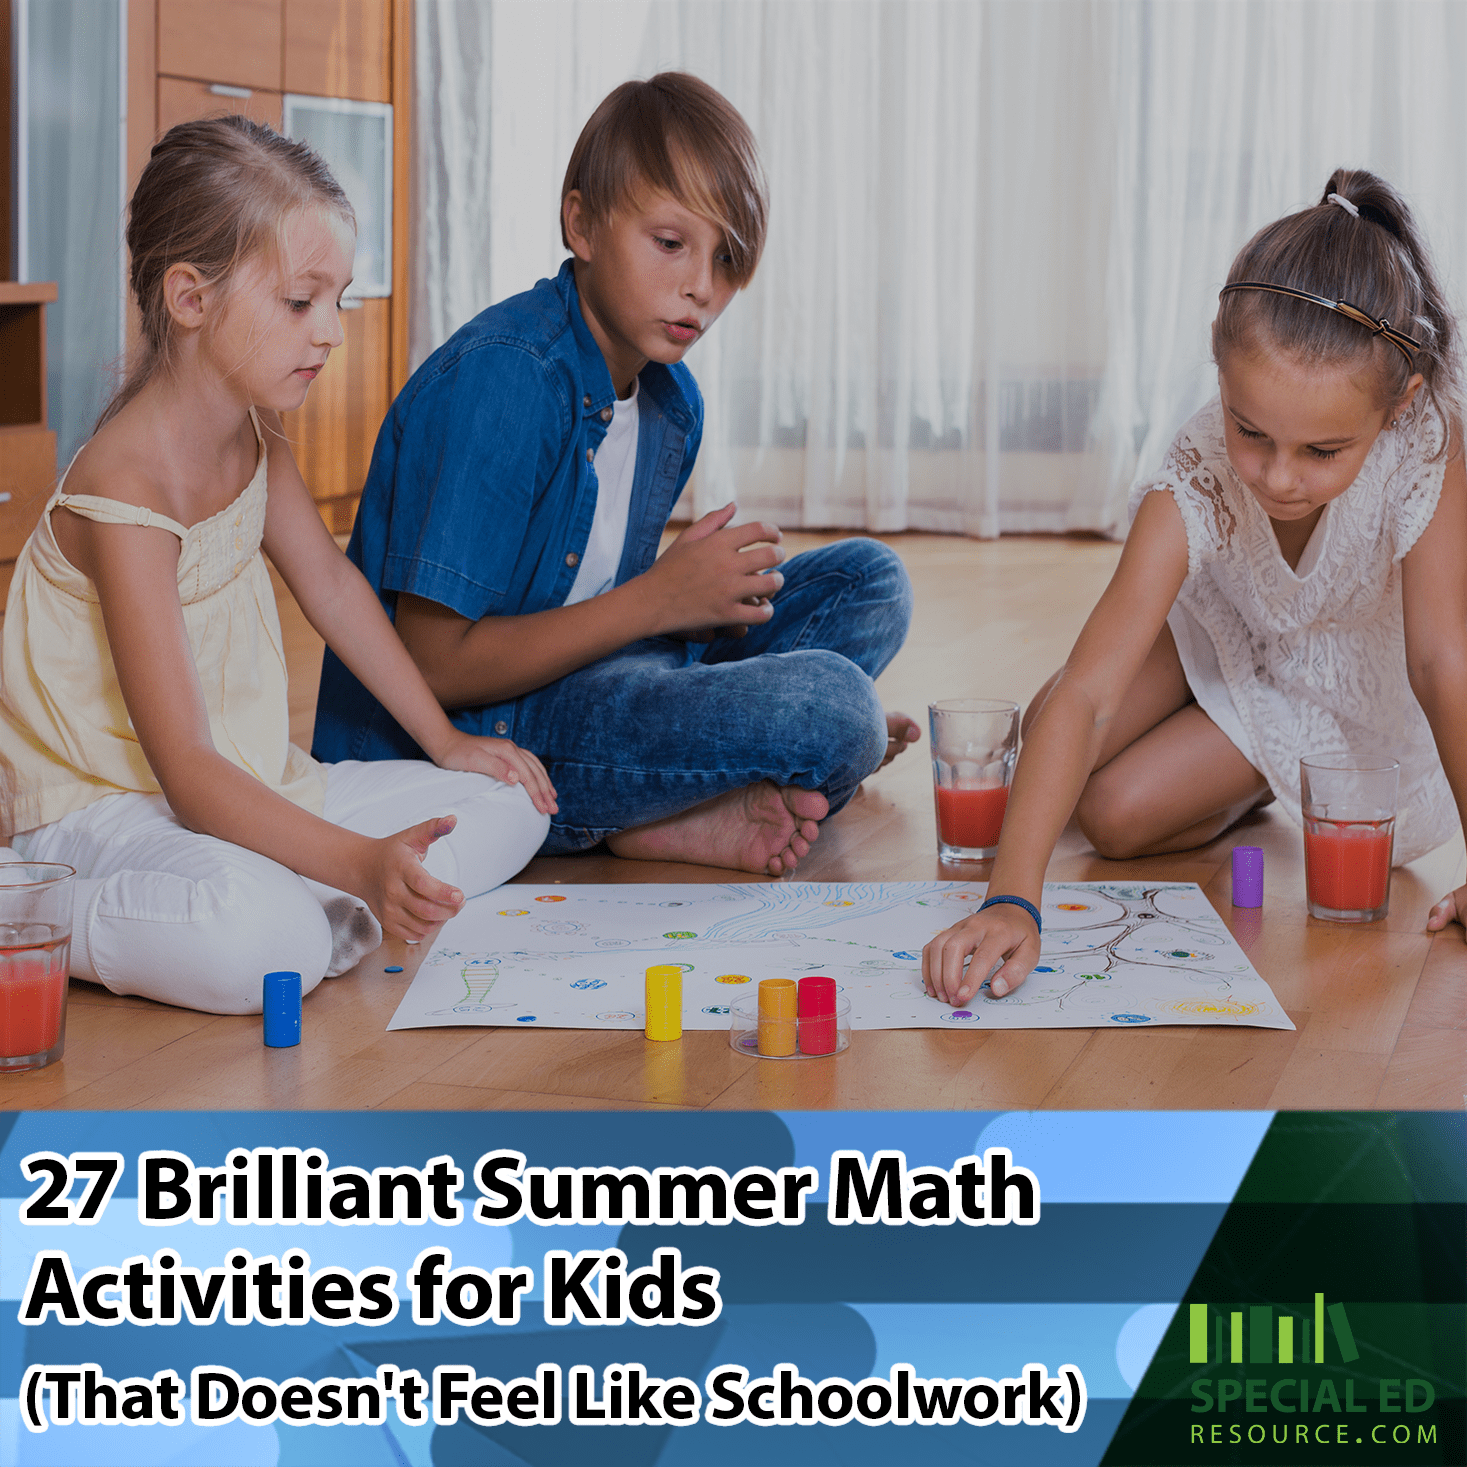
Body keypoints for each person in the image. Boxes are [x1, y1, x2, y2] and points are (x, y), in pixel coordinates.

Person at [0, 116, 556, 1014]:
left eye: (336, 299)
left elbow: (333, 588)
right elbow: (181, 765)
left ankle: (334, 893)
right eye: (301, 302)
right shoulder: (124, 486)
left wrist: (448, 743)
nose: (329, 332)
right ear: (191, 299)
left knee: (512, 799)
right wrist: (357, 861)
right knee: (268, 944)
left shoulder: (258, 435)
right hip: (106, 805)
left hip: (254, 775)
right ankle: (32, 900)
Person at [311, 73, 917, 877]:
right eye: (671, 244)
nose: (701, 286)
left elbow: (601, 616)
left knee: (871, 582)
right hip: (468, 735)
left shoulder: (673, 403)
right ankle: (679, 799)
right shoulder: (509, 380)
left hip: (591, 681)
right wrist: (660, 600)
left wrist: (688, 607)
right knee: (836, 709)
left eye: (726, 259)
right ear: (582, 223)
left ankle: (690, 789)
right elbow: (433, 663)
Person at [924, 168, 1466, 1006]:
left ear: (1399, 403)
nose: (1277, 477)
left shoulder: (1425, 447)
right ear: (1219, 368)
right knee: (1048, 726)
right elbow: (1086, 690)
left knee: (1111, 815)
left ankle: (1253, 774)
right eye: (1251, 433)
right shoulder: (1199, 469)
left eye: (1321, 452)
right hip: (1235, 625)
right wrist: (1010, 897)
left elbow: (1440, 664)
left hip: (1350, 702)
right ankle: (1215, 721)